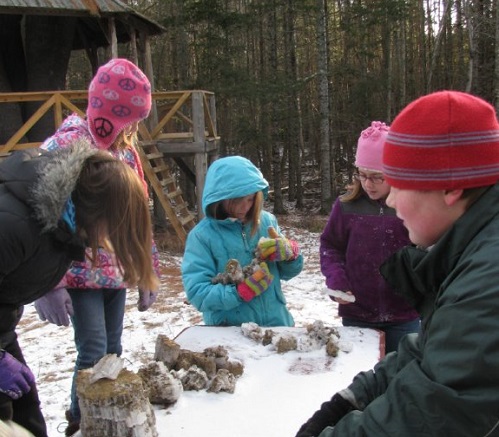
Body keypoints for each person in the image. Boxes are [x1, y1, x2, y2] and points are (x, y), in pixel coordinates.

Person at [295, 90, 499, 437]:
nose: (390, 198)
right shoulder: (471, 254)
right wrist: (352, 399)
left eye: (400, 184)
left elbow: (431, 412)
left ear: (450, 188)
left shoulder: (487, 284)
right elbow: (432, 354)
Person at [32, 58, 161, 436]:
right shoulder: (67, 146)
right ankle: (81, 420)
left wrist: (147, 270)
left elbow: (139, 218)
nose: (135, 128)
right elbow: (42, 212)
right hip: (77, 272)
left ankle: (107, 418)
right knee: (93, 351)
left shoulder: (126, 154)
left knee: (113, 351)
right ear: (110, 112)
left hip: (115, 273)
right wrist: (48, 284)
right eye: (131, 118)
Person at [0, 141, 158, 437]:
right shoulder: (14, 225)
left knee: (27, 421)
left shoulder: (66, 226)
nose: (113, 239)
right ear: (97, 212)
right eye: (116, 227)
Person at [319, 121, 419, 353]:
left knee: (403, 378)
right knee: (363, 378)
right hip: (358, 313)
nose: (367, 184)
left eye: (376, 177)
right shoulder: (346, 206)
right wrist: (337, 280)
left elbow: (427, 250)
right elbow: (330, 246)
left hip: (405, 314)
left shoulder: (412, 204)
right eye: (362, 175)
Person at [181, 155, 303, 327]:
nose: (245, 207)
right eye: (237, 200)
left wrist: (290, 254)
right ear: (219, 199)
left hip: (277, 326)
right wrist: (239, 293)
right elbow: (197, 292)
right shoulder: (202, 236)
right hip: (231, 334)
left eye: (250, 199)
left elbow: (288, 272)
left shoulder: (266, 222)